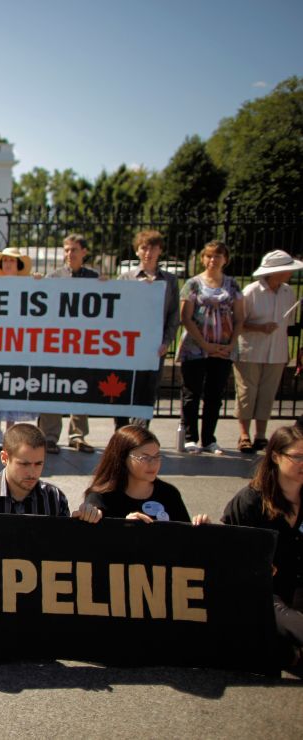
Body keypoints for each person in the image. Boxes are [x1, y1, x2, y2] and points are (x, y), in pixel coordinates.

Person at [221, 425, 303, 669]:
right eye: (297, 457)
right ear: (276, 456)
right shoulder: (250, 501)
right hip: (265, 592)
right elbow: (230, 556)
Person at [176, 240, 243, 454]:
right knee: (191, 392)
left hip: (223, 348)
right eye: (209, 256)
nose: (213, 260)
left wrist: (232, 344)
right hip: (195, 346)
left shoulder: (232, 285)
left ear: (226, 259)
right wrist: (204, 344)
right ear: (203, 259)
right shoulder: (193, 284)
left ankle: (209, 438)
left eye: (218, 256)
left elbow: (240, 317)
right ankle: (190, 437)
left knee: (215, 394)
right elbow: (185, 317)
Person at [0, 423, 101, 521]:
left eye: (38, 464)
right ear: (4, 458)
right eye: (24, 464)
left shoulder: (54, 497)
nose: (32, 472)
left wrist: (85, 521)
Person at [234, 251, 303, 453]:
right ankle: (244, 434)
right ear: (277, 271)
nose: (291, 273)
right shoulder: (251, 291)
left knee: (267, 393)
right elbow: (238, 322)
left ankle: (261, 435)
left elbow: (288, 323)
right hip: (250, 351)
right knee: (247, 392)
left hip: (277, 352)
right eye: (288, 269)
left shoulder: (288, 292)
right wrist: (260, 328)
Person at [36, 235, 99, 454]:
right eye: (66, 250)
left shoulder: (94, 278)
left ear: (84, 252)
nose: (69, 254)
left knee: (80, 387)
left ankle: (77, 435)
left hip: (83, 344)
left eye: (73, 250)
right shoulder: (53, 277)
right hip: (57, 344)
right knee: (52, 386)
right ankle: (49, 437)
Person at [116, 230, 180, 429]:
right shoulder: (125, 279)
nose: (148, 252)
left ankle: (140, 432)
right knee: (123, 389)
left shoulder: (169, 281)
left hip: (154, 347)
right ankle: (122, 431)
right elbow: (116, 312)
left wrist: (166, 342)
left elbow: (173, 315)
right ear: (137, 251)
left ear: (160, 250)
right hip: (126, 346)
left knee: (147, 390)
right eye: (144, 247)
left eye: (153, 247)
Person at [84, 425, 210, 524]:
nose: (153, 464)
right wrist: (123, 527)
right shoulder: (101, 497)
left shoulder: (169, 494)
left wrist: (201, 529)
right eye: (145, 458)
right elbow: (92, 543)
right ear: (122, 458)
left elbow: (185, 540)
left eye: (157, 457)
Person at [0, 247, 37, 450]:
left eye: (11, 261)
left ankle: (10, 433)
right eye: (4, 261)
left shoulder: (28, 284)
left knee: (12, 386)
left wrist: (40, 281)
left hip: (17, 344)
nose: (7, 264)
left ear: (18, 264)